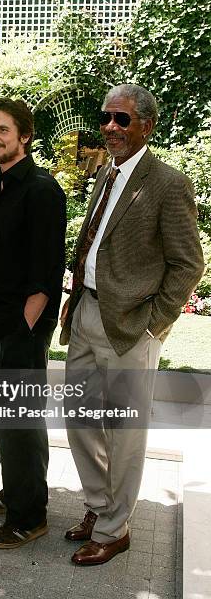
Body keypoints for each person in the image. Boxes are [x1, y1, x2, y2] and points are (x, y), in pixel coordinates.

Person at [60, 84, 204, 565]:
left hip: (129, 326)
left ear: (147, 125)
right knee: (79, 420)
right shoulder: (106, 173)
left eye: (122, 120)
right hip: (85, 313)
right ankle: (99, 509)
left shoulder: (168, 183)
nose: (110, 128)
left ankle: (115, 529)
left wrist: (154, 326)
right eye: (106, 117)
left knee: (123, 433)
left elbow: (188, 264)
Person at [0, 98, 66, 548]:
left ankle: (29, 516)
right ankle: (15, 492)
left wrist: (22, 332)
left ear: (24, 136)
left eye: (3, 130)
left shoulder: (42, 190)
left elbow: (47, 274)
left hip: (22, 330)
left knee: (21, 423)